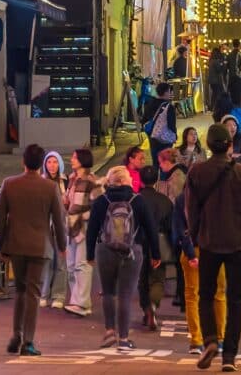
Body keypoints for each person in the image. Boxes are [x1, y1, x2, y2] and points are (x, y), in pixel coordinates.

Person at [185, 124, 241, 372]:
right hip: (237, 243)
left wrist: (195, 235)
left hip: (209, 241)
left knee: (206, 294)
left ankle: (209, 340)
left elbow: (191, 210)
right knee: (235, 299)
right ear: (230, 145)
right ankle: (230, 356)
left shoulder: (197, 172)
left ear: (207, 145)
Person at [0, 144, 68, 356]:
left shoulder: (9, 184)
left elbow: (1, 219)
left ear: (23, 162)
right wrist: (62, 246)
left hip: (16, 245)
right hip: (40, 246)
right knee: (33, 293)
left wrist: (0, 245)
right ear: (41, 163)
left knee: (19, 290)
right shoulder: (50, 188)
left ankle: (16, 334)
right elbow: (58, 220)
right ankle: (28, 341)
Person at [86, 166, 161, 352]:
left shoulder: (101, 200)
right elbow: (151, 229)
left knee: (109, 292)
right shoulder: (138, 200)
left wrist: (89, 254)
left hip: (105, 250)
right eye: (128, 178)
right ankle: (124, 338)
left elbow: (92, 230)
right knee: (125, 295)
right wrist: (156, 254)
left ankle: (110, 331)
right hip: (132, 251)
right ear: (124, 181)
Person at [172, 191, 225, 354]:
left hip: (192, 250)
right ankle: (220, 338)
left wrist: (190, 253)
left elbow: (179, 229)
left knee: (192, 295)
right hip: (216, 249)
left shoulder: (182, 199)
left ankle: (196, 340)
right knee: (219, 293)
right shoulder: (218, 196)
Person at [64, 148, 104, 317]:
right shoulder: (72, 179)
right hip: (71, 226)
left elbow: (99, 204)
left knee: (83, 265)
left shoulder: (91, 180)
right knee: (72, 265)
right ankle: (76, 300)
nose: (72, 160)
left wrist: (84, 216)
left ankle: (83, 303)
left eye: (74, 157)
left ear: (82, 160)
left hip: (84, 226)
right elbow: (69, 201)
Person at [136, 165, 173, 331]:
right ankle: (153, 304)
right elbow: (171, 226)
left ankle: (146, 310)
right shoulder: (165, 201)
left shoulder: (135, 199)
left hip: (138, 242)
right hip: (160, 242)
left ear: (141, 180)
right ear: (157, 179)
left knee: (142, 279)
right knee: (158, 279)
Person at [39, 151, 69, 310]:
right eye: (49, 162)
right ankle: (43, 294)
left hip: (63, 225)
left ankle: (59, 295)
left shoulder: (66, 180)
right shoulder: (41, 181)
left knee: (62, 261)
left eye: (55, 162)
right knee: (46, 260)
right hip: (45, 226)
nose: (52, 165)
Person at [142, 82, 178, 164]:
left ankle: (155, 176)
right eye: (169, 91)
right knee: (166, 162)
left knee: (156, 161)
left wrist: (150, 132)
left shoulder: (149, 103)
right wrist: (175, 136)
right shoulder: (169, 107)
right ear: (165, 93)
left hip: (153, 137)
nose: (171, 93)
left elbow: (144, 121)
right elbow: (171, 125)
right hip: (165, 140)